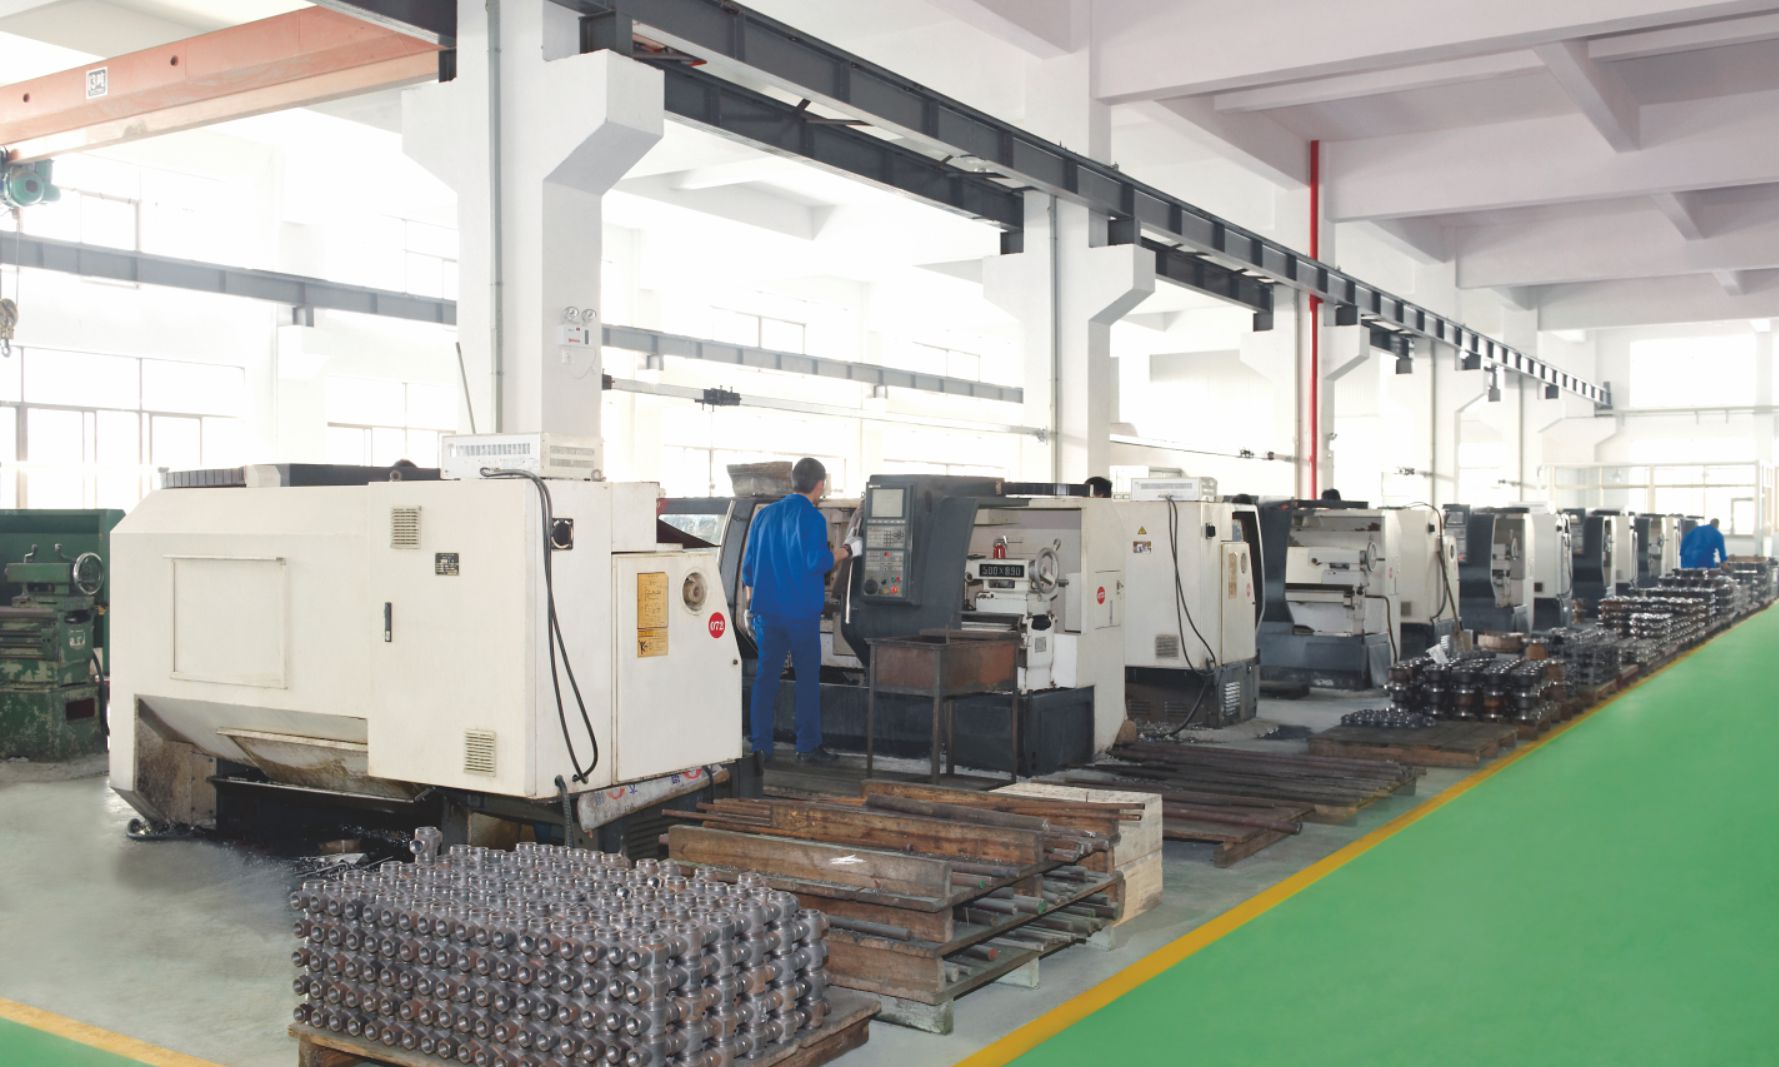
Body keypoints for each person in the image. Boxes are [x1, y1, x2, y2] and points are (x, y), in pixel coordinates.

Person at [741, 458, 856, 764]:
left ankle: (760, 747)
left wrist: (750, 609)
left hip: (766, 613)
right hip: (800, 615)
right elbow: (817, 562)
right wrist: (845, 551)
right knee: (806, 680)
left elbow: (748, 570)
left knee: (766, 679)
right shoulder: (812, 518)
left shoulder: (764, 516)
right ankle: (807, 747)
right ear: (821, 485)